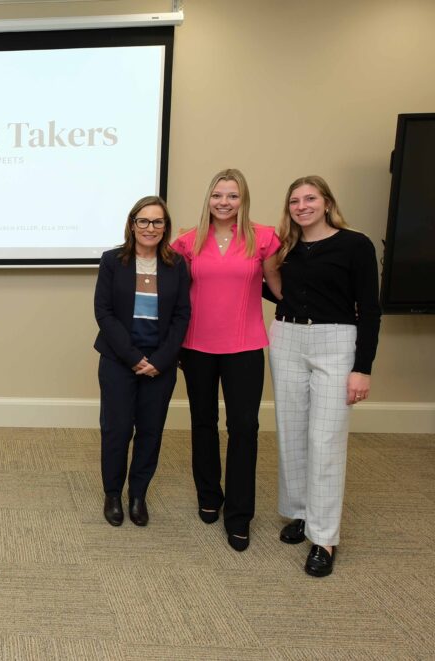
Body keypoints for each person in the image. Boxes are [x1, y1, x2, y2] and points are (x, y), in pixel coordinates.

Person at [269, 176, 380, 577]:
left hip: (336, 341)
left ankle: (324, 538)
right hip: (286, 338)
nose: (302, 206)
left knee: (326, 438)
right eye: (294, 200)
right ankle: (300, 512)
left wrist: (362, 368)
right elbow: (277, 292)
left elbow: (369, 308)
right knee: (292, 430)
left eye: (310, 198)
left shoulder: (355, 244)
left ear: (328, 202)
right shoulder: (287, 248)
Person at [172, 168, 281, 552]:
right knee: (203, 423)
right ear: (209, 198)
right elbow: (177, 296)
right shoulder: (187, 241)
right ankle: (208, 495)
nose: (224, 202)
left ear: (243, 199)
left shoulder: (264, 238)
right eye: (218, 195)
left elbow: (278, 288)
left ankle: (239, 515)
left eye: (232, 196)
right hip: (197, 347)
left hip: (245, 347)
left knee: (244, 429)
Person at [94, 196, 190, 527]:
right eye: (144, 221)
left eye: (158, 222)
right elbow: (103, 312)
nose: (150, 228)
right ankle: (112, 494)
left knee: (150, 431)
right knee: (116, 430)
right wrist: (134, 358)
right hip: (119, 361)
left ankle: (138, 495)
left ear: (166, 227)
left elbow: (182, 315)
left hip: (160, 366)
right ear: (132, 224)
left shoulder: (177, 264)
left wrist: (160, 360)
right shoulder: (112, 261)